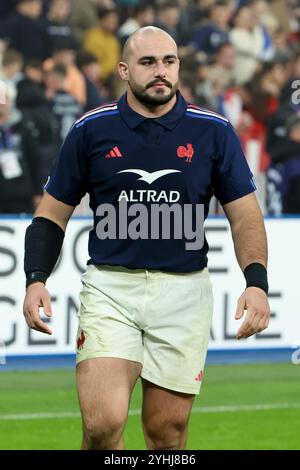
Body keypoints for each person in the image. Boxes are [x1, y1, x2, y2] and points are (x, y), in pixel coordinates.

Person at [23, 26, 270, 450]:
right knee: (102, 426)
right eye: (148, 62)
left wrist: (256, 282)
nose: (161, 71)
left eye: (169, 61)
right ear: (123, 70)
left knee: (167, 434)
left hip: (185, 292)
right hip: (111, 289)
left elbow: (245, 215)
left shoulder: (212, 131)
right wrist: (35, 278)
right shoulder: (90, 130)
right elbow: (51, 214)